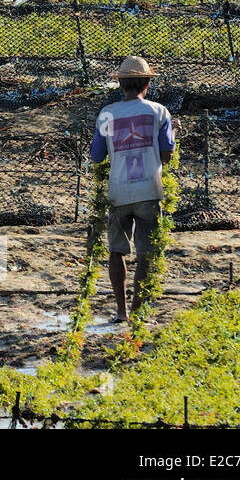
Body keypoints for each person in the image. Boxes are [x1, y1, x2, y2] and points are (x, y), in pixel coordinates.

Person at [89, 56, 175, 323]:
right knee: (147, 251)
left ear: (121, 85)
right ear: (147, 83)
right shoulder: (159, 112)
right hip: (149, 189)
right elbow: (167, 154)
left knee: (117, 250)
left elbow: (96, 156)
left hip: (118, 191)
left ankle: (121, 312)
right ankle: (139, 312)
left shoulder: (107, 113)